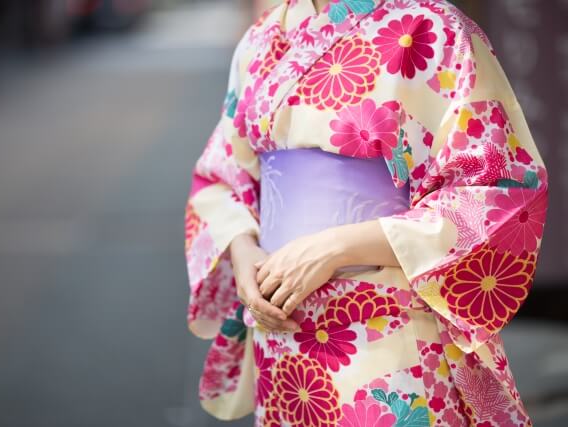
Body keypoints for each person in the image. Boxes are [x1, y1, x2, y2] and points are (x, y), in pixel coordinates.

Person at [183, 0, 549, 425]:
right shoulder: (261, 40)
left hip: (386, 323)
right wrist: (243, 253)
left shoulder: (430, 27)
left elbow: (498, 190)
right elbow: (223, 176)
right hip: (281, 327)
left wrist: (336, 247)